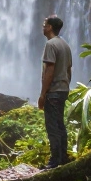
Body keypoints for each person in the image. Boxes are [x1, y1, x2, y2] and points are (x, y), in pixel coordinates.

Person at [37, 15, 71, 169]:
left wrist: (43, 94)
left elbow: (49, 70)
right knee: (60, 125)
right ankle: (63, 157)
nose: (43, 27)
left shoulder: (51, 45)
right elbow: (68, 70)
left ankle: (55, 161)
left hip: (53, 92)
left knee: (52, 127)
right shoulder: (65, 45)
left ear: (50, 27)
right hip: (62, 90)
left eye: (45, 24)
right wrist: (65, 86)